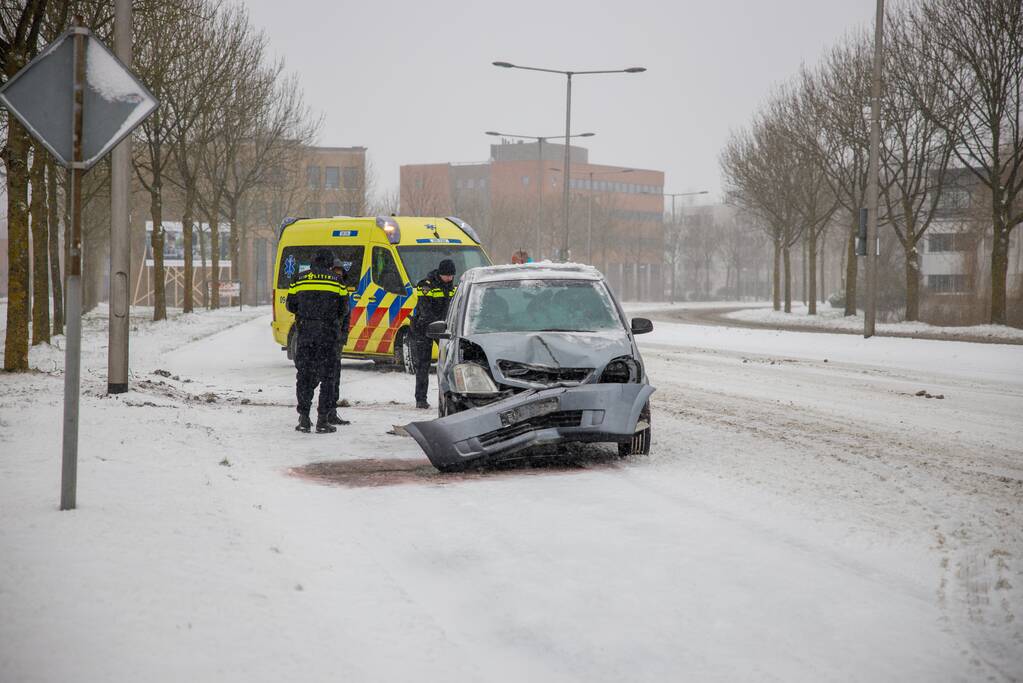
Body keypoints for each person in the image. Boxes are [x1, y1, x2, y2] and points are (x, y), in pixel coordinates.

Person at [286, 249, 346, 433]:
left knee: (304, 376)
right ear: (329, 263)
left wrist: (307, 313)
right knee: (328, 378)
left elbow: (290, 305)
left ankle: (304, 418)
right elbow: (343, 309)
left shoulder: (299, 279)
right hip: (328, 335)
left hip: (306, 334)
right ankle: (322, 420)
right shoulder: (337, 281)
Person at [410, 258, 457, 409]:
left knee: (450, 362)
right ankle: (421, 399)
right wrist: (440, 324)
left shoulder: (453, 287)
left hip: (442, 328)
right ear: (440, 274)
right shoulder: (426, 285)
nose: (449, 278)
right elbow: (425, 311)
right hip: (423, 328)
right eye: (447, 275)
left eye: (452, 276)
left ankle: (452, 397)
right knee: (423, 364)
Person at [324, 257, 353, 426]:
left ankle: (331, 411)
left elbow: (346, 315)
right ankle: (321, 413)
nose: (338, 275)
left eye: (340, 273)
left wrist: (343, 335)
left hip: (336, 339)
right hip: (326, 337)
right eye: (335, 272)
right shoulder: (328, 290)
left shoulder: (342, 289)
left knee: (335, 377)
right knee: (325, 377)